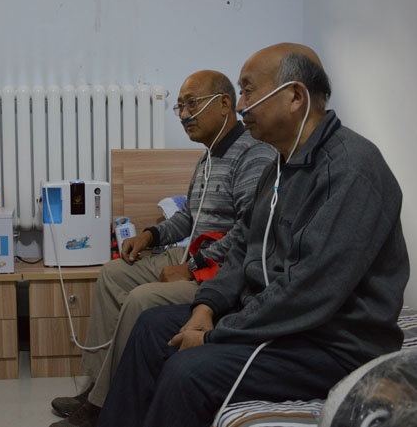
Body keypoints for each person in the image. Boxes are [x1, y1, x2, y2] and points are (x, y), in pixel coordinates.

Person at [97, 43, 410, 427]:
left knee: (187, 371)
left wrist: (213, 336)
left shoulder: (351, 170)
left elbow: (309, 291)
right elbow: (243, 247)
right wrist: (206, 307)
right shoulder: (280, 166)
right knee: (151, 327)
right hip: (276, 322)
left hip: (330, 344)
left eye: (247, 91)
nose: (241, 106)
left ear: (294, 96)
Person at [50, 71, 276, 427]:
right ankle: (97, 385)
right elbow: (188, 217)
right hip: (194, 254)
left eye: (192, 104)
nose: (184, 115)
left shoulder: (253, 155)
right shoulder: (207, 158)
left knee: (141, 298)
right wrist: (149, 236)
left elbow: (247, 232)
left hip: (220, 268)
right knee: (113, 273)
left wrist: (191, 266)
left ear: (224, 103)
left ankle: (104, 406)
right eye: (180, 106)